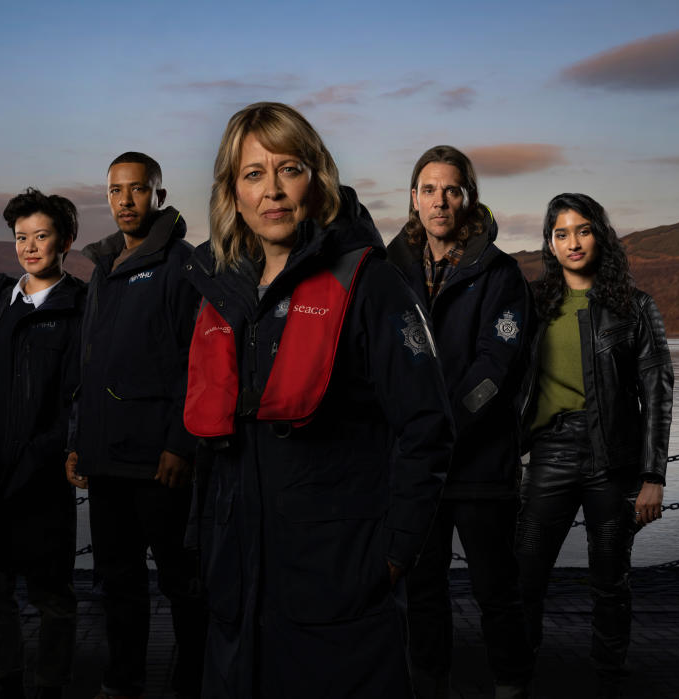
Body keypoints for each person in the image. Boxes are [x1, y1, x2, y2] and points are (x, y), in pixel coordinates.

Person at [183, 102, 454, 698]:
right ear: (232, 191)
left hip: (340, 581)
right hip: (238, 587)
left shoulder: (370, 283)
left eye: (290, 169)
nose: (272, 191)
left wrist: (394, 555)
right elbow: (216, 453)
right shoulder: (218, 292)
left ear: (318, 177)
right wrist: (204, 545)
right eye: (253, 174)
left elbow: (428, 426)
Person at [386, 146, 535, 699]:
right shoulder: (390, 271)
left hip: (480, 467)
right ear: (414, 199)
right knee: (422, 590)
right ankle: (430, 687)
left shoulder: (500, 274)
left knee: (496, 589)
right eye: (428, 189)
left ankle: (513, 685)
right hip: (415, 469)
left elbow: (494, 370)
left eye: (451, 189)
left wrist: (440, 426)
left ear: (468, 197)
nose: (439, 201)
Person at [515, 193, 673, 698]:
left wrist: (654, 476)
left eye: (582, 230)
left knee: (611, 578)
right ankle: (517, 669)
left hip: (615, 458)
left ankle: (609, 671)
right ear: (550, 244)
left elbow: (657, 392)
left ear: (599, 235)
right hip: (550, 453)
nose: (573, 242)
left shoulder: (635, 306)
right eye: (561, 234)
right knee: (526, 573)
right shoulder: (533, 304)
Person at [65, 152, 206, 699]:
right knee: (118, 584)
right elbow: (89, 366)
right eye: (116, 191)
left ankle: (193, 680)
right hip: (106, 461)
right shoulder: (102, 270)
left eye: (138, 189)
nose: (126, 201)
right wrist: (79, 442)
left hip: (158, 462)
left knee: (181, 583)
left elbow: (196, 363)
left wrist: (180, 444)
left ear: (159, 196)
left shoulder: (182, 265)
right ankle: (124, 681)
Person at [0, 188, 86, 699]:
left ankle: (51, 684)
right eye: (21, 237)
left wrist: (49, 454)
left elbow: (77, 397)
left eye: (41, 236)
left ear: (65, 240)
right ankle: (5, 680)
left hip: (41, 474)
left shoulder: (80, 307)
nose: (30, 247)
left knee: (52, 593)